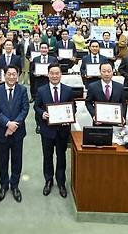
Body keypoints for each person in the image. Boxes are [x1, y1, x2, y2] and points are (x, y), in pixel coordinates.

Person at [34, 63, 75, 198]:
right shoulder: (41, 90)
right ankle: (49, 180)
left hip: (62, 130)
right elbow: (37, 106)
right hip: (47, 130)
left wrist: (69, 116)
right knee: (47, 156)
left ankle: (61, 182)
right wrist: (42, 114)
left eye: (57, 73)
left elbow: (73, 108)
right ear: (48, 75)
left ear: (61, 75)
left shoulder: (68, 90)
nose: (55, 76)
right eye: (52, 73)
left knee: (61, 157)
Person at [0, 65, 29, 203]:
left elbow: (25, 109)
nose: (12, 77)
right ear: (5, 75)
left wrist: (14, 125)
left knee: (16, 160)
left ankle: (15, 186)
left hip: (18, 132)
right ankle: (3, 186)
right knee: (3, 160)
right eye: (9, 74)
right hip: (2, 132)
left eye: (14, 74)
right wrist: (8, 124)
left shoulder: (23, 90)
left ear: (18, 75)